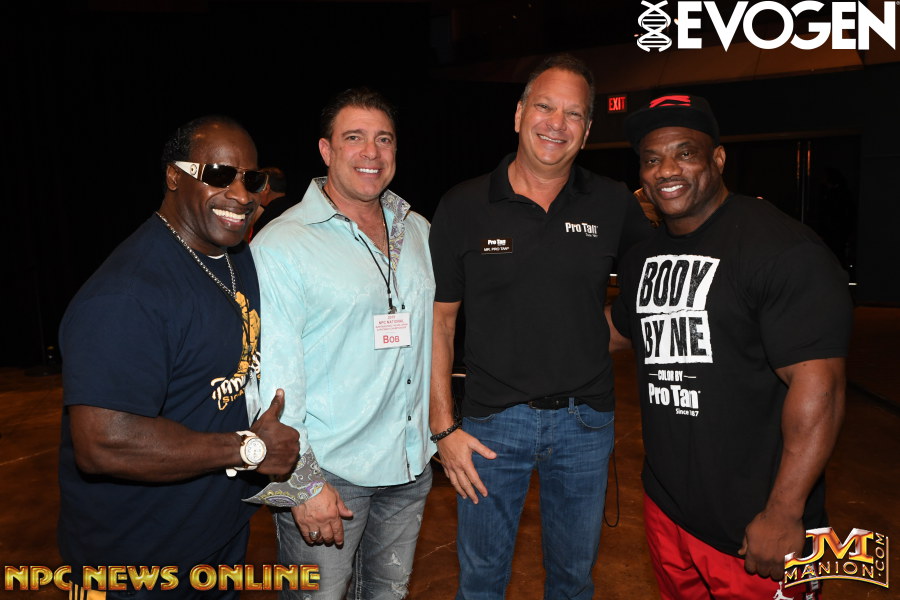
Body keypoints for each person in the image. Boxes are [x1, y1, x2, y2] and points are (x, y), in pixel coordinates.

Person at [608, 94, 853, 599]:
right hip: (668, 510)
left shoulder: (781, 248)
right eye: (652, 159)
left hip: (757, 530)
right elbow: (617, 329)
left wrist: (783, 513)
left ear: (718, 159)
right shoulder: (642, 258)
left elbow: (820, 386)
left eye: (685, 153)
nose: (666, 170)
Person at [428, 54, 653, 600]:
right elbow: (440, 323)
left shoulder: (612, 202)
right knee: (481, 583)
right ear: (519, 113)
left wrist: (604, 332)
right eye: (545, 107)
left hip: (586, 425)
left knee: (573, 583)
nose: (557, 123)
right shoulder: (464, 205)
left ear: (588, 130)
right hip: (490, 428)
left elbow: (654, 285)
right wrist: (443, 428)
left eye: (573, 114)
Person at [57, 115, 301, 598]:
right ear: (174, 175)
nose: (241, 195)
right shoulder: (127, 295)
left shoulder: (233, 258)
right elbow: (104, 443)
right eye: (218, 175)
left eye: (251, 179)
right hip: (137, 562)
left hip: (217, 536)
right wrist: (248, 449)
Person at [250, 87, 435, 599]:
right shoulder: (282, 244)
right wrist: (301, 484)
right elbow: (269, 379)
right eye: (354, 138)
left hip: (409, 467)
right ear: (326, 150)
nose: (371, 152)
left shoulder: (418, 230)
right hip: (328, 476)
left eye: (384, 139)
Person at [245, 166, 290, 241]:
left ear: (266, 188)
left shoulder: (269, 215)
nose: (253, 192)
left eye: (256, 187)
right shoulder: (293, 207)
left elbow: (254, 244)